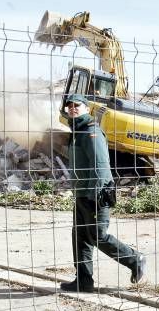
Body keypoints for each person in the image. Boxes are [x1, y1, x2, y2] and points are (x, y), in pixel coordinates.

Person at [61, 93, 146, 293]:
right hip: (81, 193)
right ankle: (83, 281)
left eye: (77, 105)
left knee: (98, 235)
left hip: (95, 195)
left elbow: (100, 166)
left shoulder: (91, 131)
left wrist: (95, 196)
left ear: (86, 108)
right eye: (69, 105)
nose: (72, 108)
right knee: (80, 237)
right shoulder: (77, 131)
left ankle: (135, 259)